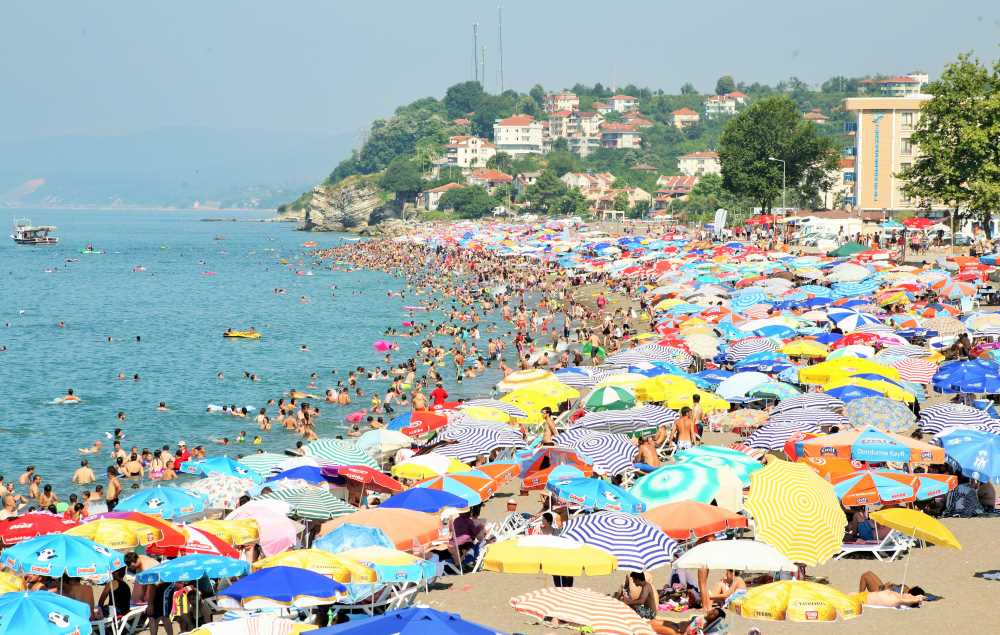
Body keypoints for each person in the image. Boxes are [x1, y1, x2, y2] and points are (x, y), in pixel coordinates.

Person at [857, 570, 926, 607]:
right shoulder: (906, 589)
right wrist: (892, 585)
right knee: (869, 573)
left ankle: (859, 599)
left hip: (880, 592)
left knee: (866, 575)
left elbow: (888, 596)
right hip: (884, 588)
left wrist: (886, 587)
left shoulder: (902, 595)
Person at [650, 608, 725, 635]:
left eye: (714, 614)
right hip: (677, 625)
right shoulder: (704, 618)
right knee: (652, 622)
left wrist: (684, 633)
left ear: (714, 619)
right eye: (713, 610)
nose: (711, 613)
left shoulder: (703, 623)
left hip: (677, 631)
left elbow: (690, 630)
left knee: (650, 627)